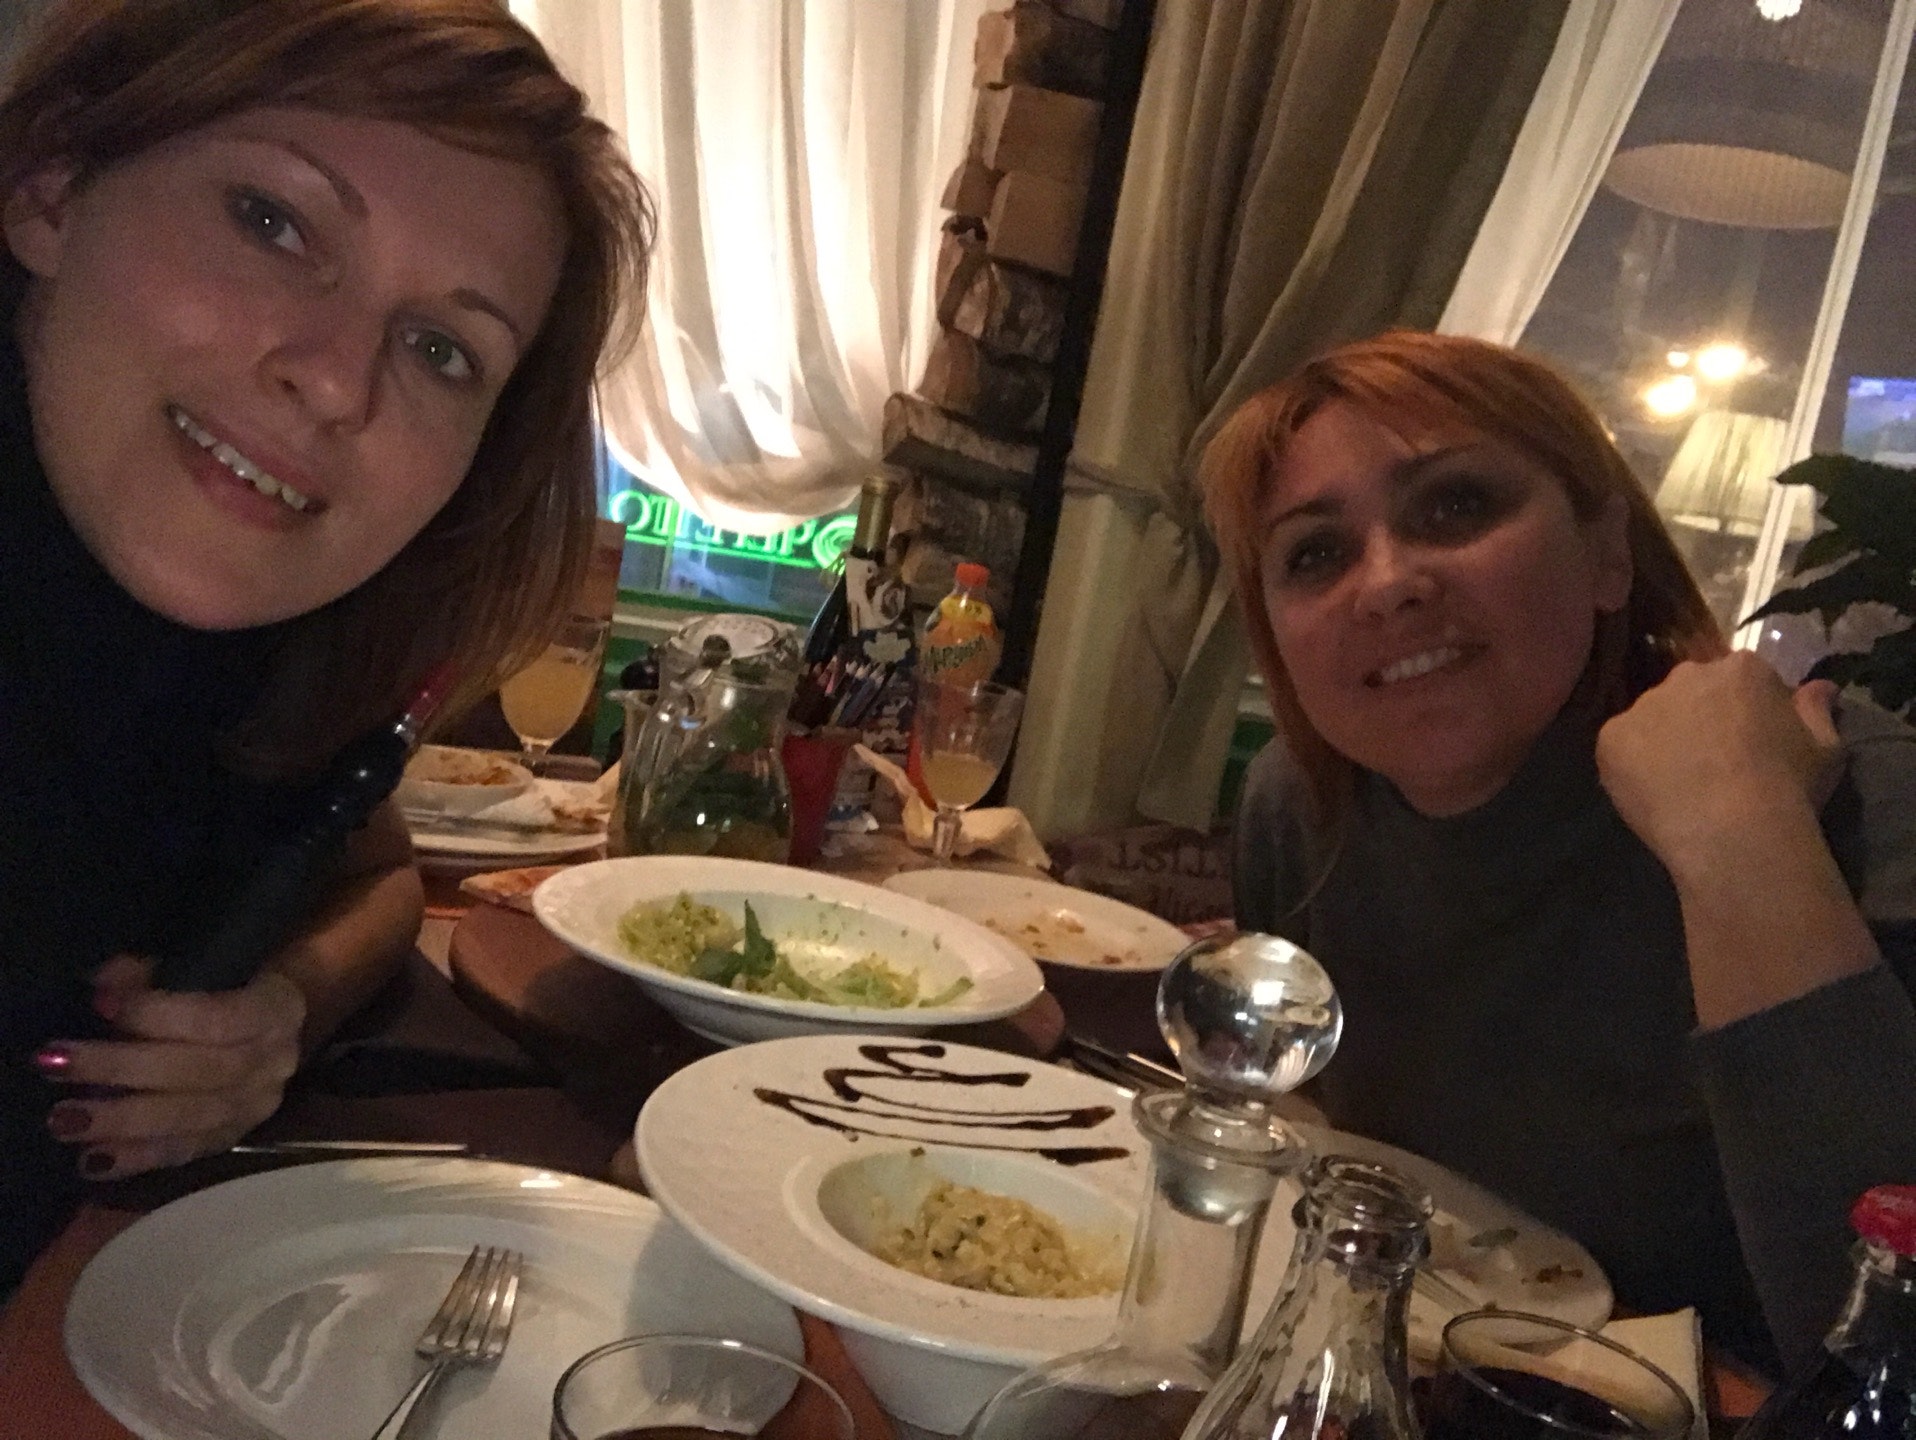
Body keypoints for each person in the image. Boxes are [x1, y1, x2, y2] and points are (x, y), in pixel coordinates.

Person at [0, 0, 655, 1294]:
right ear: (54, 182)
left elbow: (378, 868)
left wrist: (283, 1009)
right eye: (273, 222)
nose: (341, 381)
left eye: (441, 350)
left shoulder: (281, 647)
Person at [1210, 331, 1916, 1375]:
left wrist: (1741, 837)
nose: (1388, 583)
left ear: (1606, 554)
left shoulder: (1860, 793)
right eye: (1314, 553)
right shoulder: (1298, 807)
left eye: (1454, 505)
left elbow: (1882, 1369)